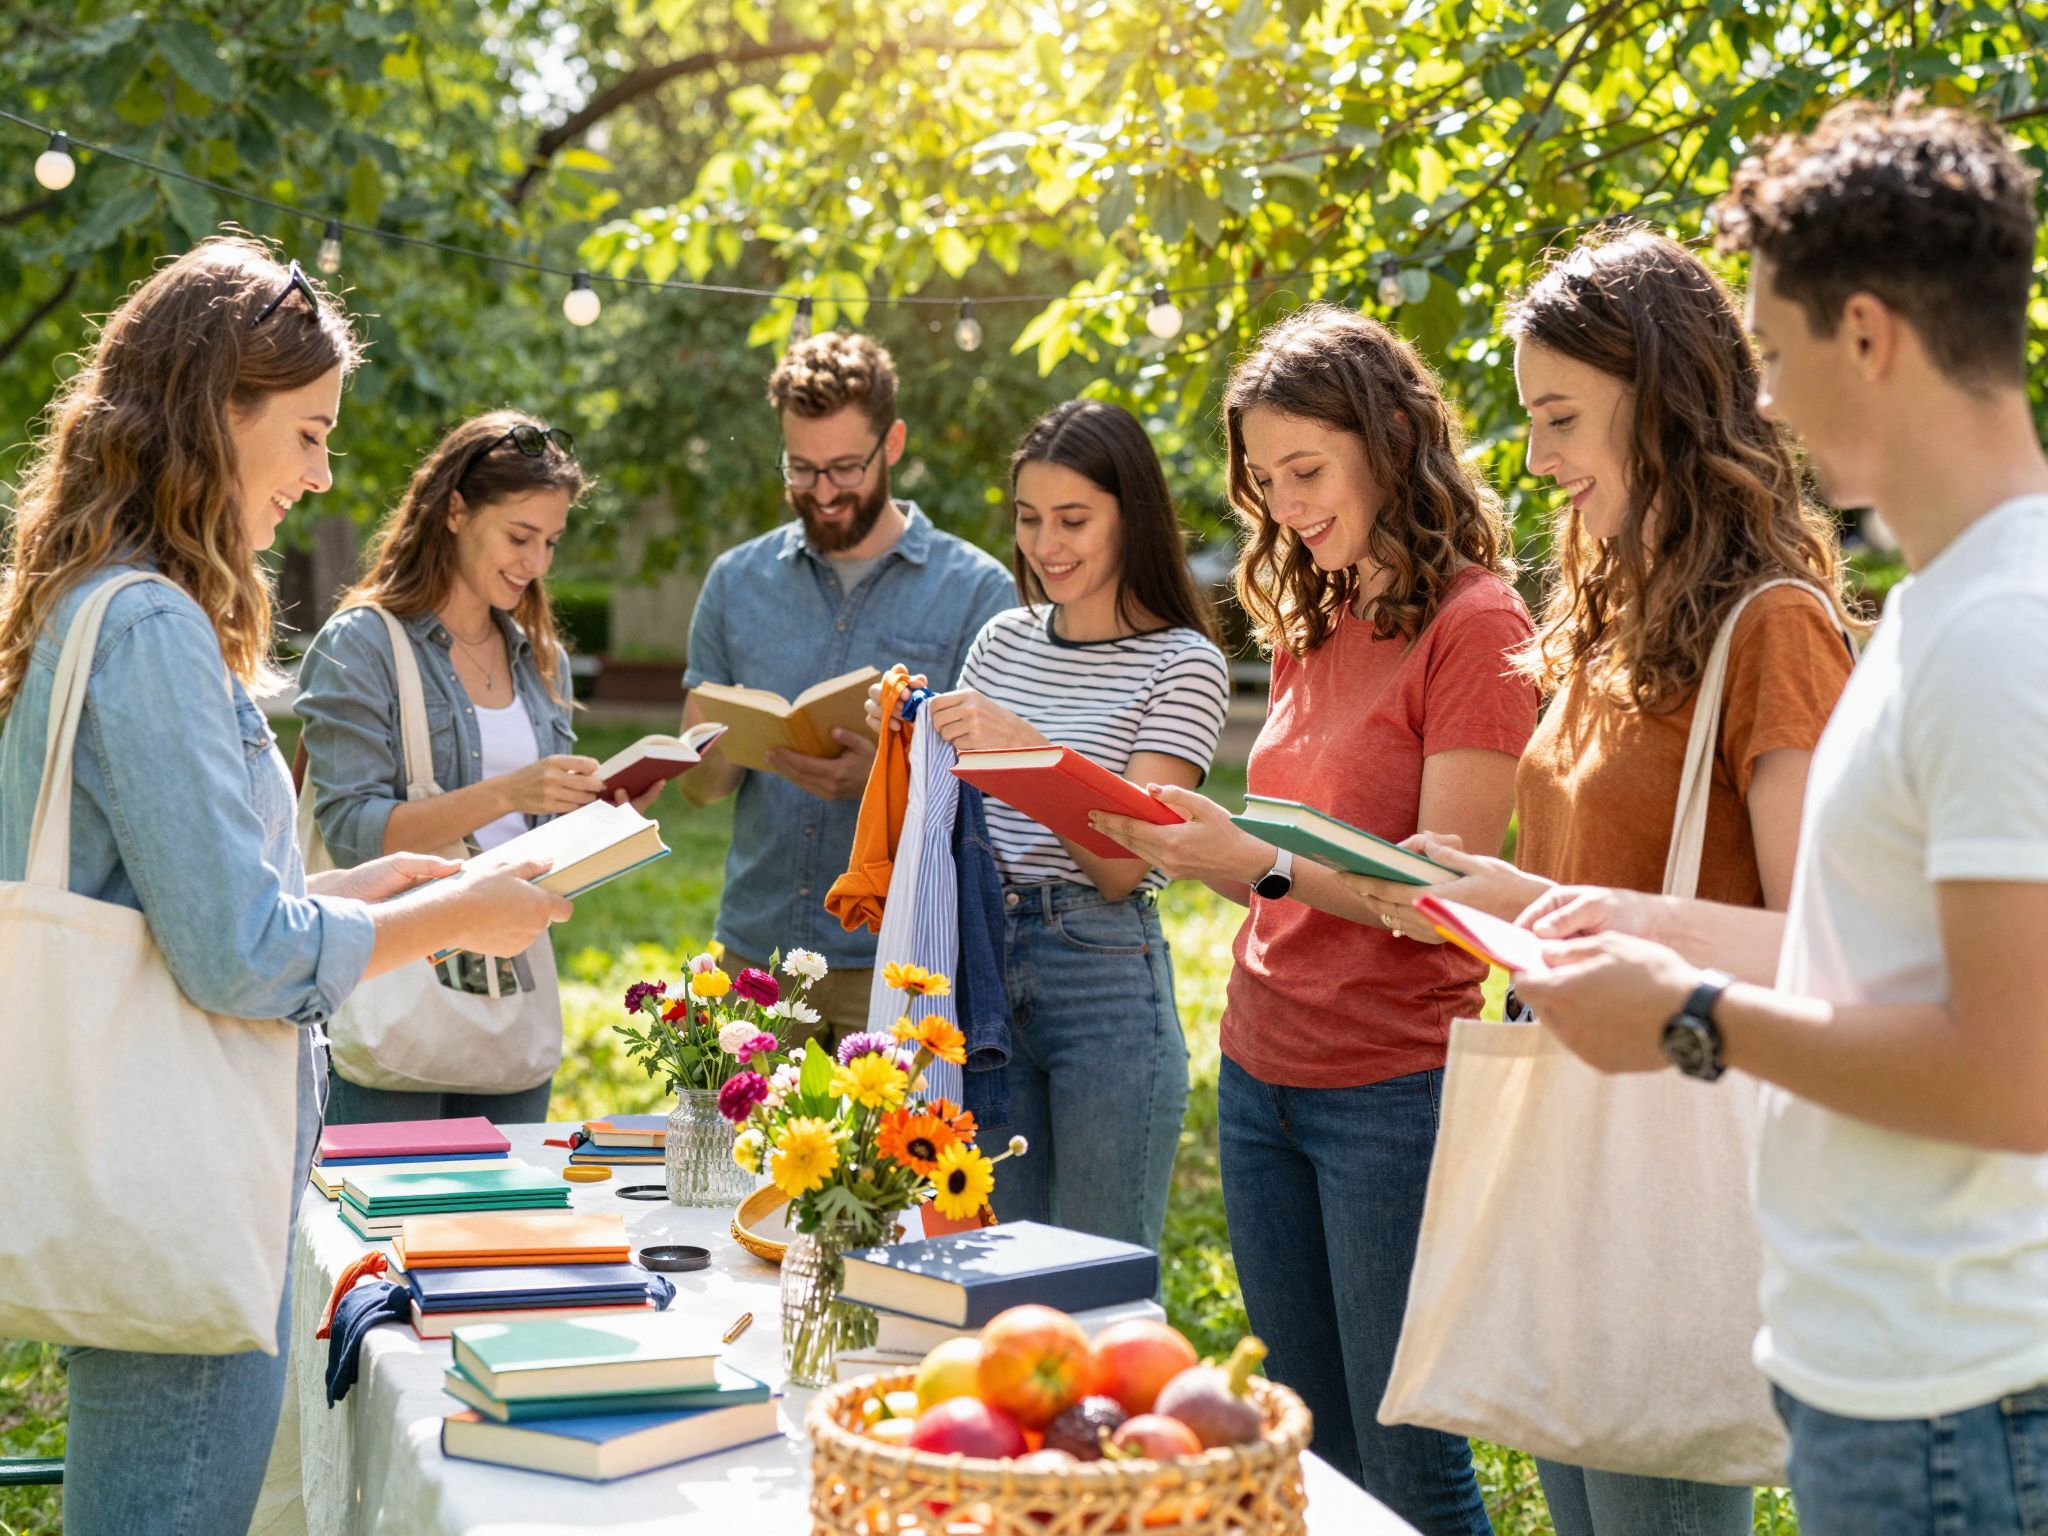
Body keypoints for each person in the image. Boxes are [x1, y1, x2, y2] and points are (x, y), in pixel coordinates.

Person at [1505, 100, 2048, 1536]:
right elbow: (1845, 949)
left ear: (1866, 333)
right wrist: (1628, 925)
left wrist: (1688, 1014)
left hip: (1956, 1404)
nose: (1770, 404)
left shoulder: (2002, 631)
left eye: (1776, 354)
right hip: (1882, 1381)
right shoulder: (1941, 610)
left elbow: (2015, 1077)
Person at [0, 238, 564, 1536]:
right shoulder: (146, 624)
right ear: (215, 419)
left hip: (150, 1157)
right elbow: (241, 955)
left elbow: (170, 887)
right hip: (185, 1173)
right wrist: (456, 914)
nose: (320, 474)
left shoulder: (93, 602)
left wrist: (366, 879)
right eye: (307, 434)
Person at [1343, 228, 1859, 1536]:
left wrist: (1582, 929)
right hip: (1575, 1123)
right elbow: (1585, 878)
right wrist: (1474, 886)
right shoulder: (1608, 620)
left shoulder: (1775, 626)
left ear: (1667, 402)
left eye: (1560, 416)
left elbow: (1816, 944)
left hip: (1683, 1145)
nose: (1535, 458)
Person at [1095, 305, 1537, 1533]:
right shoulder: (1314, 617)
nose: (1284, 506)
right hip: (1260, 1072)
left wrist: (1261, 867)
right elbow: (1285, 861)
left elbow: (1447, 904)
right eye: (1264, 480)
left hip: (1391, 1092)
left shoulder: (1478, 625)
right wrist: (1199, 854)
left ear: (1390, 441)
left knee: (1406, 1463)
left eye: (1306, 471)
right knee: (1302, 1445)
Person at [863, 399, 1230, 1251]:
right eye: (1029, 519)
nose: (1046, 545)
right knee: (988, 1256)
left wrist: (1027, 747)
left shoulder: (1185, 664)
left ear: (1131, 518)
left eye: (1074, 519)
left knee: (1104, 1265)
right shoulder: (1000, 642)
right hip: (980, 961)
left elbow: (1120, 866)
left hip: (1100, 967)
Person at [297, 409, 651, 1124]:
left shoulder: (540, 658)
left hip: (509, 998)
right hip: (393, 994)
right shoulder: (363, 644)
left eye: (551, 542)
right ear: (455, 511)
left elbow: (534, 830)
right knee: (383, 1233)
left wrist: (602, 814)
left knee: (501, 1231)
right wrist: (506, 793)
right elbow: (355, 833)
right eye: (520, 537)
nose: (538, 563)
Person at [678, 330, 1014, 1041]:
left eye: (843, 468)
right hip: (756, 955)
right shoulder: (736, 583)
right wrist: (712, 750)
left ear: (891, 444)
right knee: (741, 1157)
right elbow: (699, 791)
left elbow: (1000, 800)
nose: (823, 493)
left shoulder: (977, 592)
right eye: (801, 470)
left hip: (903, 961)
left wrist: (885, 783)